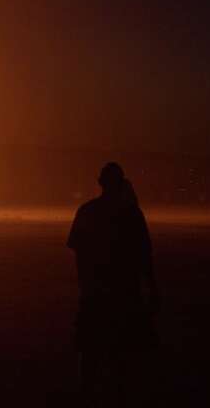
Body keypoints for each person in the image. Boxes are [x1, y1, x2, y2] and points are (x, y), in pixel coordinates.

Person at [66, 162, 159, 405]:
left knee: (90, 351)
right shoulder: (131, 214)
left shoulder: (87, 211)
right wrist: (152, 288)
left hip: (95, 292)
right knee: (122, 353)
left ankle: (87, 394)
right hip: (125, 293)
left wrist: (85, 286)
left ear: (100, 183)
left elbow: (77, 251)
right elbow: (144, 254)